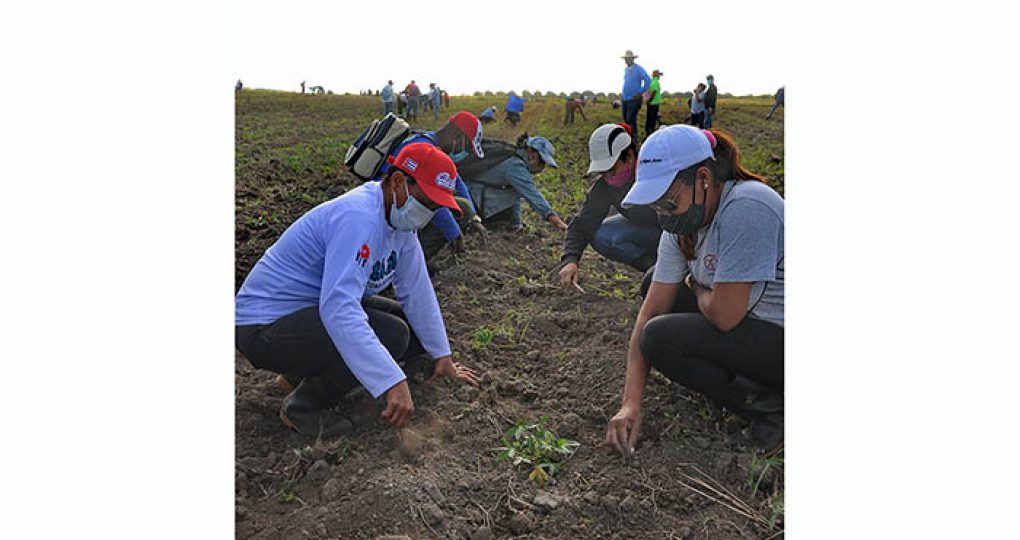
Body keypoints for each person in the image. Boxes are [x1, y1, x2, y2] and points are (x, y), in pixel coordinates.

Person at [235, 143, 482, 438]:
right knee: (391, 334)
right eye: (426, 201)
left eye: (435, 206)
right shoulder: (358, 217)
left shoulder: (400, 225)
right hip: (263, 327)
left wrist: (442, 355)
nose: (429, 212)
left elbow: (417, 289)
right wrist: (391, 381)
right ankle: (304, 405)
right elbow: (339, 308)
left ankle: (297, 374)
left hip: (307, 316)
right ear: (398, 181)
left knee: (412, 331)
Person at [605, 125, 784, 456]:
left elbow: (725, 316)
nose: (663, 215)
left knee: (661, 336)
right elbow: (651, 310)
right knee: (652, 290)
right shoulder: (682, 226)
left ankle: (775, 412)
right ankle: (748, 385)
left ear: (703, 178)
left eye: (669, 202)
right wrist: (630, 403)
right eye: (656, 205)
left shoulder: (747, 206)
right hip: (756, 328)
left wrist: (699, 287)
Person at [374, 112, 489, 262]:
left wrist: (474, 217)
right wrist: (454, 234)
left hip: (399, 206)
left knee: (463, 208)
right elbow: (428, 196)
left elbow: (457, 181)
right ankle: (410, 259)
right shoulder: (422, 148)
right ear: (457, 136)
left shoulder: (431, 144)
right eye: (466, 147)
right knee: (450, 211)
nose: (463, 152)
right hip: (387, 211)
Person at [557, 123, 660, 292]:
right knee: (603, 235)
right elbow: (583, 224)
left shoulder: (654, 170)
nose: (607, 177)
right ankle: (653, 267)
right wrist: (571, 260)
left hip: (679, 232)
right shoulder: (605, 186)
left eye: (611, 170)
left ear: (630, 156)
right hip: (651, 233)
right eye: (602, 172)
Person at [458, 135, 568, 232]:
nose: (542, 168)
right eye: (542, 162)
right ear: (531, 153)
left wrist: (516, 224)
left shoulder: (514, 158)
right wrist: (557, 221)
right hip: (474, 201)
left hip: (476, 197)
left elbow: (516, 194)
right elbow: (533, 195)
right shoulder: (515, 166)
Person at [620, 50, 651, 138]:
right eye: (626, 59)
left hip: (634, 99)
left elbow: (648, 80)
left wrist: (640, 92)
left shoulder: (638, 68)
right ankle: (629, 137)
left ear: (632, 59)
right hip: (625, 98)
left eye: (629, 58)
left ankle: (634, 138)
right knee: (625, 119)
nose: (627, 60)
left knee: (631, 119)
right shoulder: (626, 69)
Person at [645, 70, 664, 138]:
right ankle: (652, 132)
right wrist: (650, 100)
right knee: (652, 119)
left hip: (652, 103)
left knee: (649, 118)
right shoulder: (655, 82)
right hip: (654, 103)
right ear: (656, 75)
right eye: (659, 74)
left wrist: (648, 101)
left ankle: (648, 131)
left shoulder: (652, 81)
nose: (659, 76)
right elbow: (654, 92)